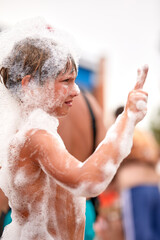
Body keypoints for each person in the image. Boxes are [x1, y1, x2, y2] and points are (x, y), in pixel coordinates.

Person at [0, 18, 148, 240]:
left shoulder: (36, 132)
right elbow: (87, 181)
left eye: (75, 80)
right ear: (29, 85)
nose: (77, 90)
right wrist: (127, 119)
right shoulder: (36, 137)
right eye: (66, 81)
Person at [58, 89, 107, 240]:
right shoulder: (91, 104)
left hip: (38, 214)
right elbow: (103, 165)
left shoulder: (33, 101)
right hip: (83, 213)